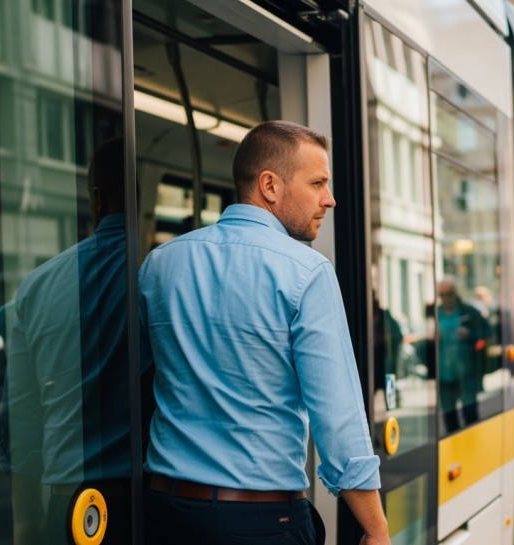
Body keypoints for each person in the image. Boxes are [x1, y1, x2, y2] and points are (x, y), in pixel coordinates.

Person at [139, 120, 390, 545]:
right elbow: (338, 419)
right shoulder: (307, 272)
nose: (330, 199)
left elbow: (137, 377)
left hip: (164, 515)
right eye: (317, 183)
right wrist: (375, 528)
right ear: (269, 185)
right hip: (259, 522)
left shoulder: (160, 263)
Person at [4, 136, 136, 544]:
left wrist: (27, 522)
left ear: (97, 200)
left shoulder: (36, 288)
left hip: (69, 507)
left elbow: (23, 422)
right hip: (146, 503)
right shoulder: (156, 274)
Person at [436, 277, 488, 433]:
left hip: (467, 373)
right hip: (444, 376)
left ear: (456, 294)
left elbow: (486, 333)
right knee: (449, 419)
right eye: (442, 295)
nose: (446, 298)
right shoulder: (436, 314)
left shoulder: (469, 311)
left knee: (470, 415)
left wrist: (469, 335)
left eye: (449, 294)